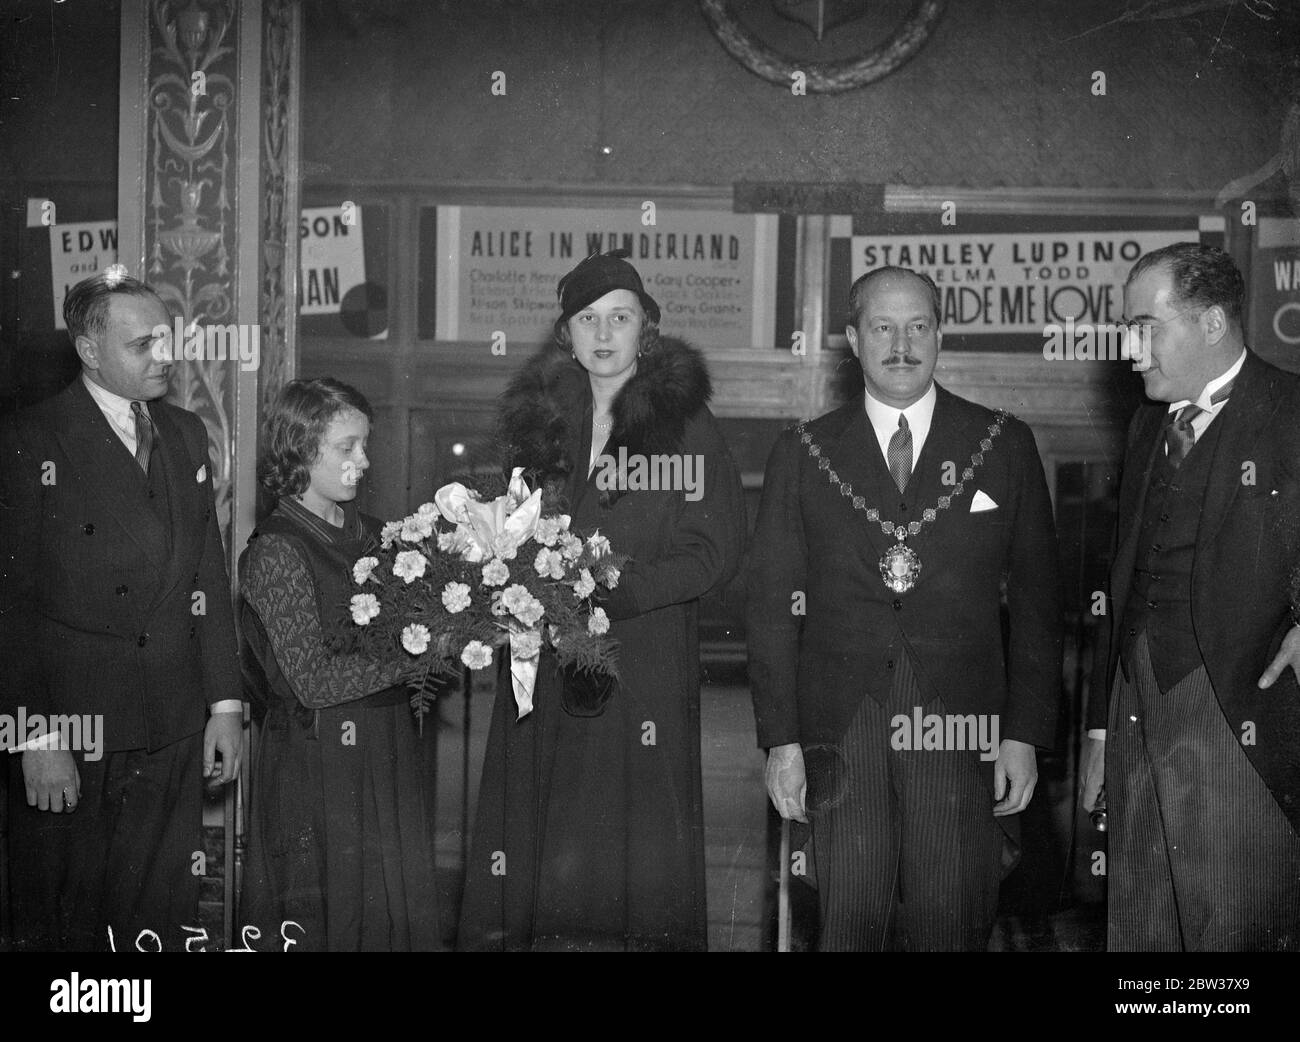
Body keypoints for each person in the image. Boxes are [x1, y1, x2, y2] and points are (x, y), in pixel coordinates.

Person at [747, 265, 1063, 951]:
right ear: (853, 341)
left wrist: (1024, 733)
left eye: (917, 326)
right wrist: (781, 740)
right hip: (839, 721)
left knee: (952, 915)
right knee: (849, 919)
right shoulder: (803, 453)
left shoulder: (1003, 444)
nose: (901, 344)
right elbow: (771, 607)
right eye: (882, 327)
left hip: (960, 719)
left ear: (939, 335)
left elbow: (1039, 599)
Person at [457, 249, 746, 951]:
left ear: (646, 327)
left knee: (629, 858)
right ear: (568, 332)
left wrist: (605, 591)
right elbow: (512, 527)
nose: (605, 333)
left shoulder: (685, 424)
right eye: (588, 319)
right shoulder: (541, 422)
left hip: (638, 666)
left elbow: (714, 552)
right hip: (546, 668)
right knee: (540, 846)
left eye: (620, 317)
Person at [0, 267, 243, 952]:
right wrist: (35, 737)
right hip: (74, 726)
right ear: (88, 349)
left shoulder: (188, 433)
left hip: (171, 722)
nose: (164, 356)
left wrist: (224, 706)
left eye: (165, 340)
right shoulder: (30, 438)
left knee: (159, 912)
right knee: (65, 918)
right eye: (143, 345)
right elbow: (8, 607)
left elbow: (208, 575)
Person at [1081, 242, 1300, 951]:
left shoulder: (1291, 411)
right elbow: (1117, 588)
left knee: (1230, 930)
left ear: (1210, 325)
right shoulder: (1150, 424)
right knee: (1141, 922)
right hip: (1138, 698)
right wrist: (1101, 730)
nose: (1130, 350)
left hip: (1237, 710)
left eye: (1147, 327)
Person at [238, 377, 441, 951]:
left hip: (386, 747)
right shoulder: (277, 550)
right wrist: (419, 651)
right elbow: (313, 680)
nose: (364, 460)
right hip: (316, 760)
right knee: (327, 915)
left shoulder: (378, 537)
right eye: (347, 447)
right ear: (300, 451)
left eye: (365, 445)